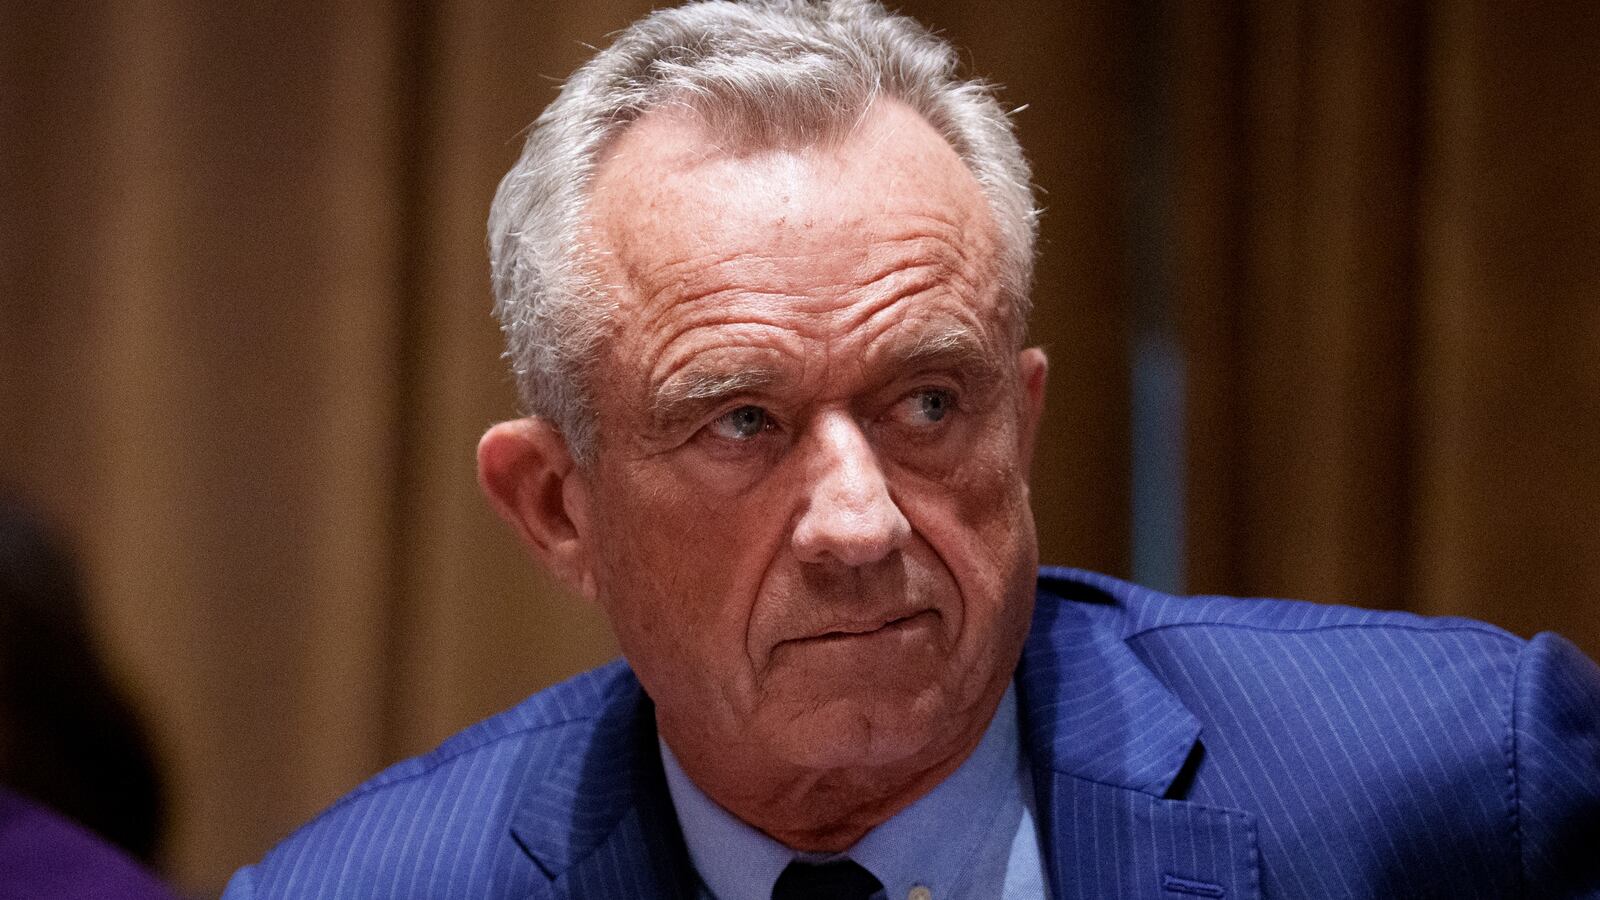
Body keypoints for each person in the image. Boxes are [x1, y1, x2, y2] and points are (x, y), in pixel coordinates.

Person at [224, 1, 1600, 897]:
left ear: (1026, 417)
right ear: (557, 506)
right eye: (742, 422)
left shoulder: (1467, 786)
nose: (858, 524)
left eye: (929, 403)